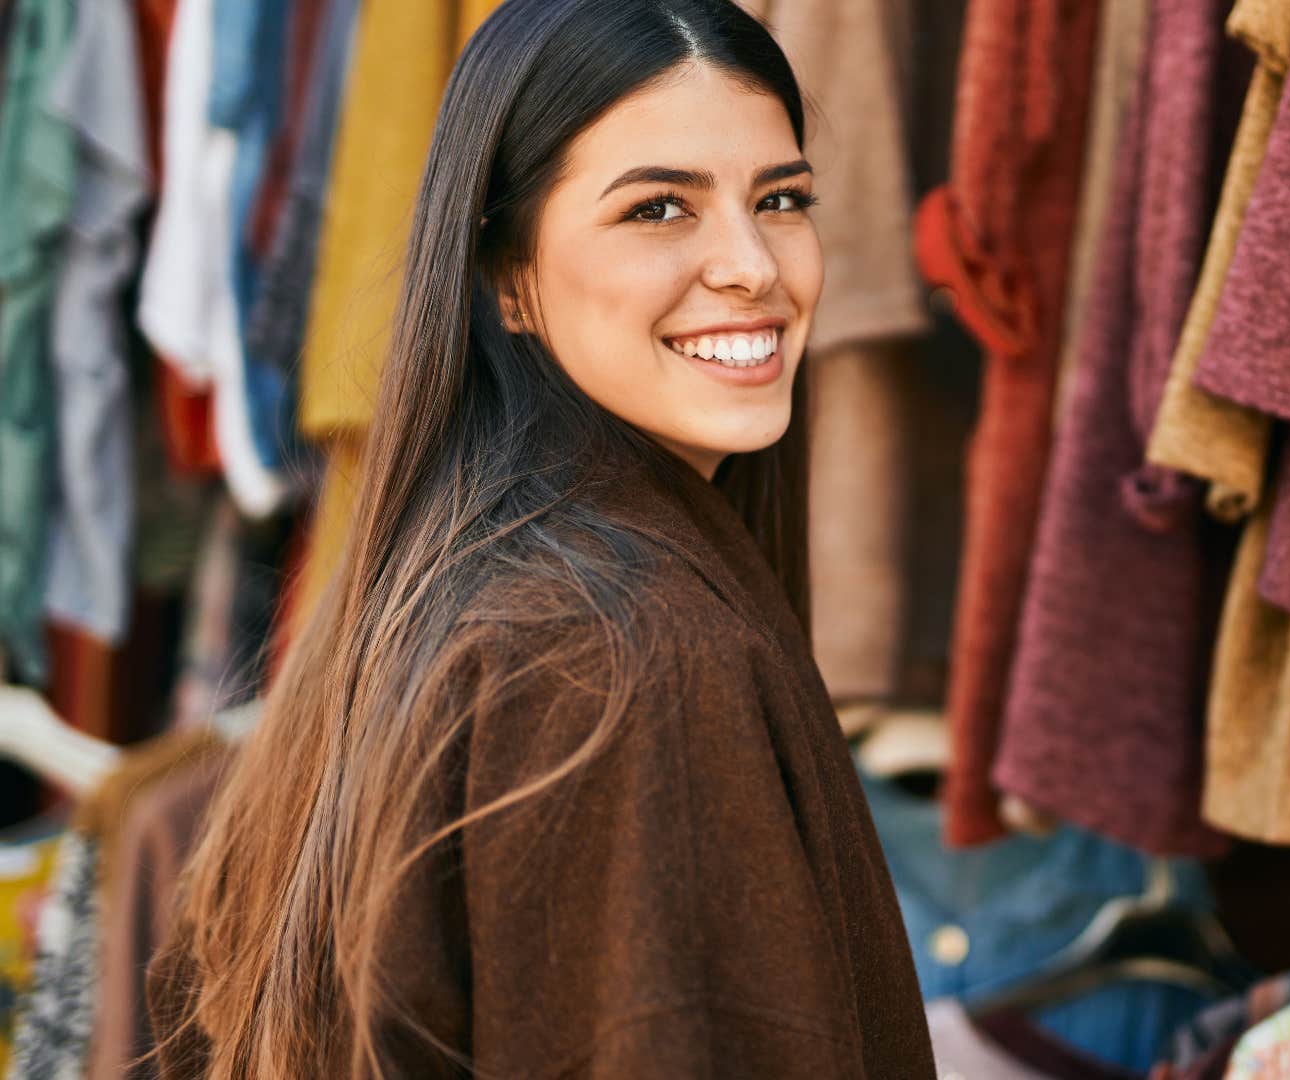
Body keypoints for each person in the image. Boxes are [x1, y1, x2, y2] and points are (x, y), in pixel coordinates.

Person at [146, 1, 938, 1075]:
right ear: (505, 276)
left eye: (782, 199)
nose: (753, 265)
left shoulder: (450, 588)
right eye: (660, 209)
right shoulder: (622, 653)